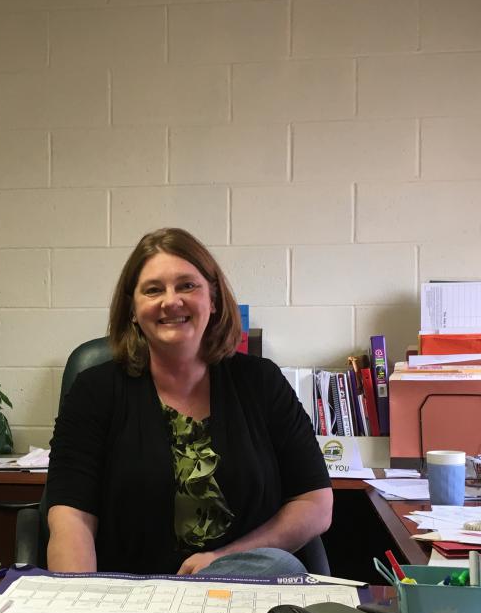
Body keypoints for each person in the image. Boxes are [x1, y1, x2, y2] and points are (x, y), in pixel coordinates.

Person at [45, 228, 333, 577]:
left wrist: (223, 559)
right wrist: (83, 598)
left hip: (242, 588)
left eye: (187, 286)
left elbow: (315, 503)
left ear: (213, 300)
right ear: (133, 309)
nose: (171, 301)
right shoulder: (95, 390)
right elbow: (71, 516)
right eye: (153, 290)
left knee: (279, 565)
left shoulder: (261, 381)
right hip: (133, 591)